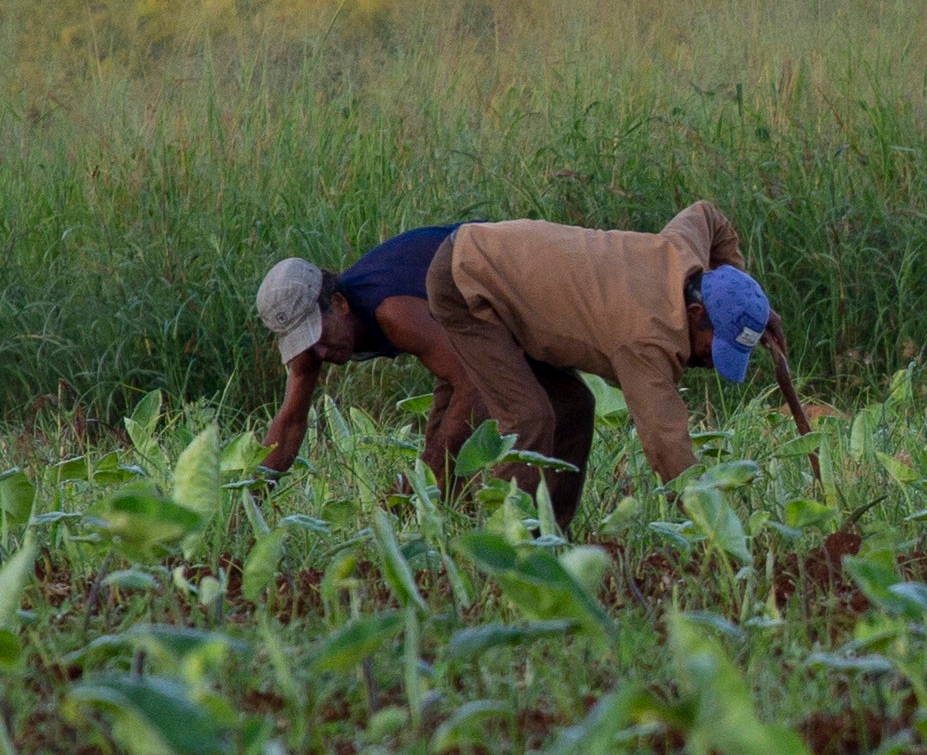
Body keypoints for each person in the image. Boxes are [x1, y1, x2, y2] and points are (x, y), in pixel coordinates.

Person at [423, 200, 778, 531]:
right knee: (529, 418)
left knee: (574, 408)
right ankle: (508, 541)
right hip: (469, 279)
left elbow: (708, 215)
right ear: (696, 313)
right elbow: (665, 443)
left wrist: (745, 301)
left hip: (514, 286)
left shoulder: (683, 251)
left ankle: (552, 536)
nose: (711, 363)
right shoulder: (646, 337)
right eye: (713, 347)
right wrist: (717, 527)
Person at [255, 225, 483, 482]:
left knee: (521, 423)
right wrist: (247, 505)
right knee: (440, 468)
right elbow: (290, 425)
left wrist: (422, 476)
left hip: (495, 277)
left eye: (316, 333)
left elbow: (475, 382)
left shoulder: (394, 312)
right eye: (303, 343)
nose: (318, 352)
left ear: (339, 303)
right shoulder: (313, 349)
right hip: (458, 338)